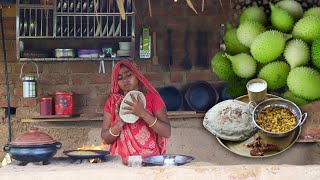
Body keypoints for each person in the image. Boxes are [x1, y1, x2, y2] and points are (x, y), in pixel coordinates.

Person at [101, 60, 171, 162]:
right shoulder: (113, 102)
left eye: (129, 75)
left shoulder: (152, 99)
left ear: (137, 75)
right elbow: (105, 140)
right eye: (120, 78)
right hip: (120, 163)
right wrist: (120, 122)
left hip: (149, 161)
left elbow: (166, 132)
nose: (125, 80)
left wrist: (142, 112)